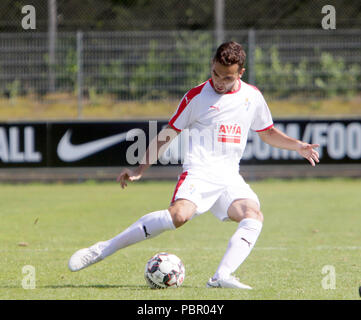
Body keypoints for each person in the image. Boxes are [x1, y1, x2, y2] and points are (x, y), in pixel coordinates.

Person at [68, 41, 320, 289]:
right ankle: (102, 249)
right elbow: (167, 134)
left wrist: (298, 146)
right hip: (199, 171)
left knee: (253, 216)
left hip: (230, 177)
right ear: (212, 65)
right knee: (177, 217)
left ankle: (220, 277)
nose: (220, 82)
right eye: (216, 74)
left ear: (241, 73)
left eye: (227, 78)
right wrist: (139, 169)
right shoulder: (197, 96)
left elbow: (267, 133)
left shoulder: (252, 96)